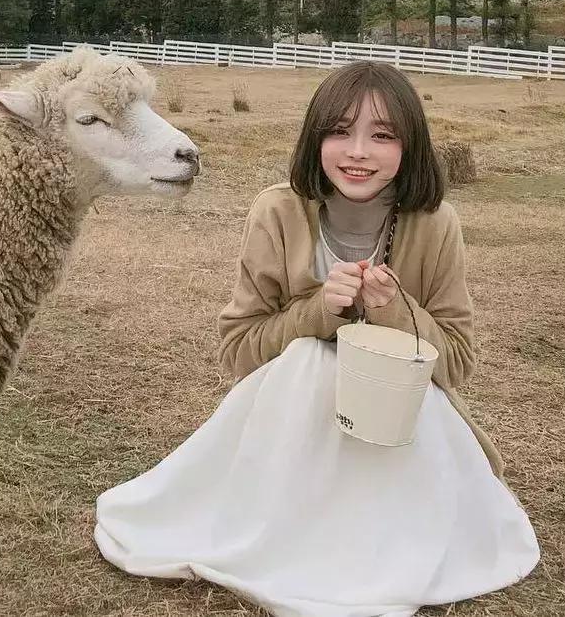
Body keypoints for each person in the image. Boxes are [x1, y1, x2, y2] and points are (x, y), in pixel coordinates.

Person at [95, 61, 539, 617]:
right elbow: (238, 350)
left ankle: (377, 538)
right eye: (339, 131)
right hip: (291, 433)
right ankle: (291, 533)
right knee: (311, 357)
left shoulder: (435, 221)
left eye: (382, 136)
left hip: (396, 429)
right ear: (315, 136)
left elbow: (456, 363)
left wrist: (396, 312)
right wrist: (316, 312)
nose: (357, 152)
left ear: (411, 145)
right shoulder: (278, 210)